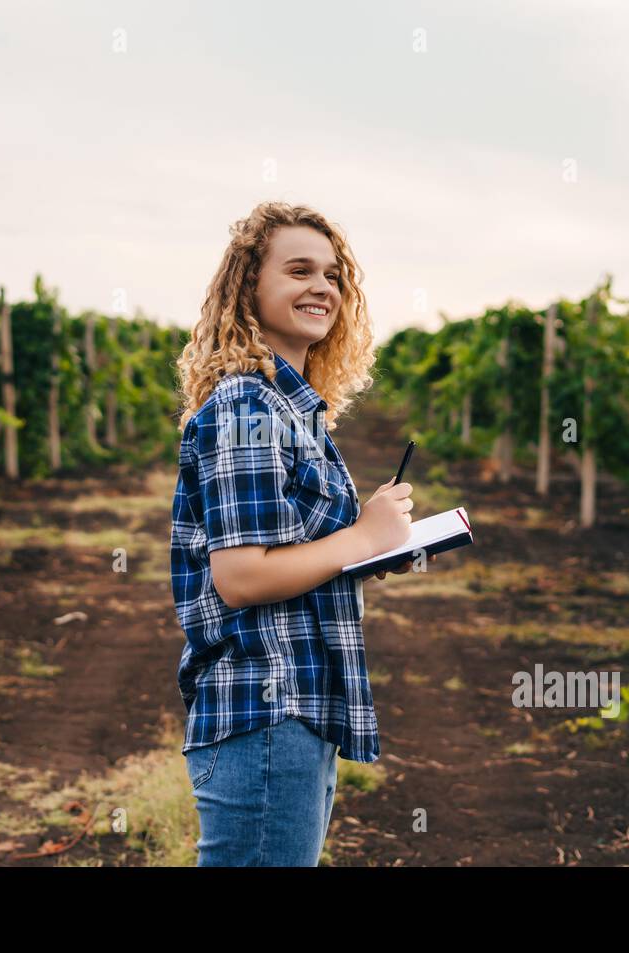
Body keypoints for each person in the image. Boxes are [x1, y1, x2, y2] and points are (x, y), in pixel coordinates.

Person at [170, 200, 434, 866]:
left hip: (295, 710)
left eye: (334, 274)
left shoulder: (290, 408)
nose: (323, 286)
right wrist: (364, 534)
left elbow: (290, 558)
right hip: (266, 708)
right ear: (249, 287)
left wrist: (375, 550)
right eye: (299, 270)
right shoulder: (247, 405)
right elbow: (242, 576)